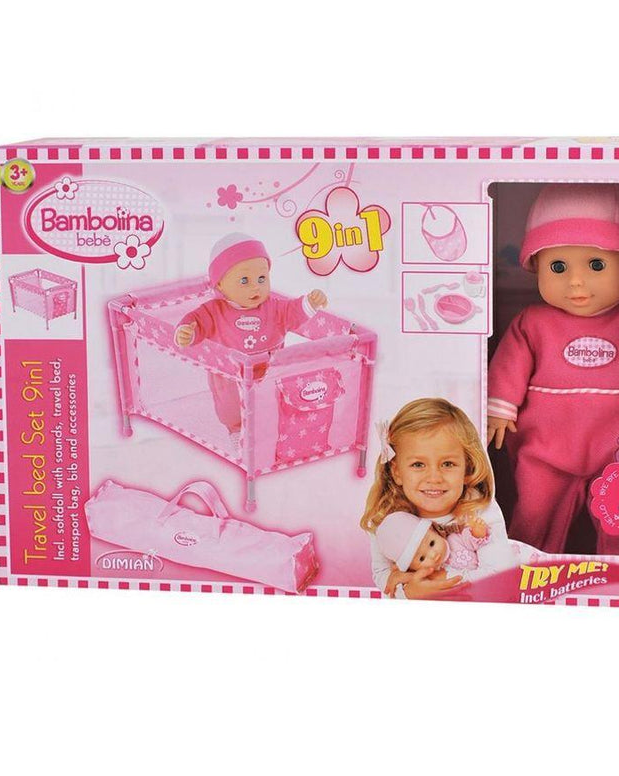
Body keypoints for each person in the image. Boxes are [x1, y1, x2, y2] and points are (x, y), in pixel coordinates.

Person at [487, 184, 619, 555]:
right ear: (536, 267)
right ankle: (525, 570)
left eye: (596, 265)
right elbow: (510, 364)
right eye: (558, 267)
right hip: (544, 451)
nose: (575, 280)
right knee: (534, 513)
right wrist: (499, 406)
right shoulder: (533, 322)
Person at [175, 233, 327, 446]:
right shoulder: (214, 311)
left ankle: (270, 430)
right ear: (220, 285)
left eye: (262, 278)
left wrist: (310, 302)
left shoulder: (274, 307)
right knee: (230, 409)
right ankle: (236, 430)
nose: (255, 287)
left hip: (269, 371)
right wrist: (187, 332)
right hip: (230, 376)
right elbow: (196, 322)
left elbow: (293, 311)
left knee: (271, 403)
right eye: (244, 280)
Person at [360, 397, 515, 599]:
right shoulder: (387, 519)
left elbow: (499, 576)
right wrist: (408, 592)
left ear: (467, 468)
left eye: (448, 464)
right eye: (418, 465)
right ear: (397, 472)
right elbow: (383, 576)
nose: (434, 478)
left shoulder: (478, 511)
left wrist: (440, 583)